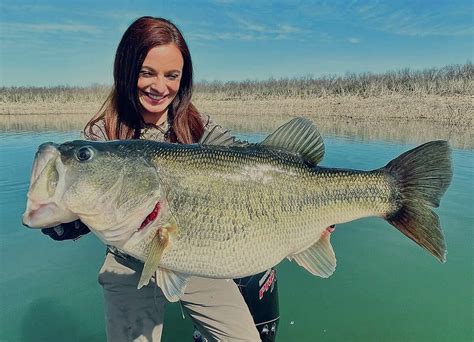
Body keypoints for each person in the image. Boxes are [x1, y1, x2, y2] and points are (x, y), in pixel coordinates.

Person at [41, 16, 277, 342]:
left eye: (172, 75)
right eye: (147, 72)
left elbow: (249, 162)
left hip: (196, 253)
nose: (159, 86)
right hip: (129, 259)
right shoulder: (100, 138)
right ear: (127, 71)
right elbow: (80, 207)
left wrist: (312, 204)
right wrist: (64, 220)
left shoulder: (200, 127)